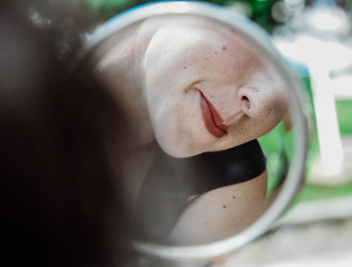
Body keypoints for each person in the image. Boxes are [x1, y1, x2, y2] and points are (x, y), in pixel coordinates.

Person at [87, 14, 289, 244]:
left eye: (281, 106)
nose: (259, 105)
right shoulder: (46, 53)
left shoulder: (232, 180)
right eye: (258, 49)